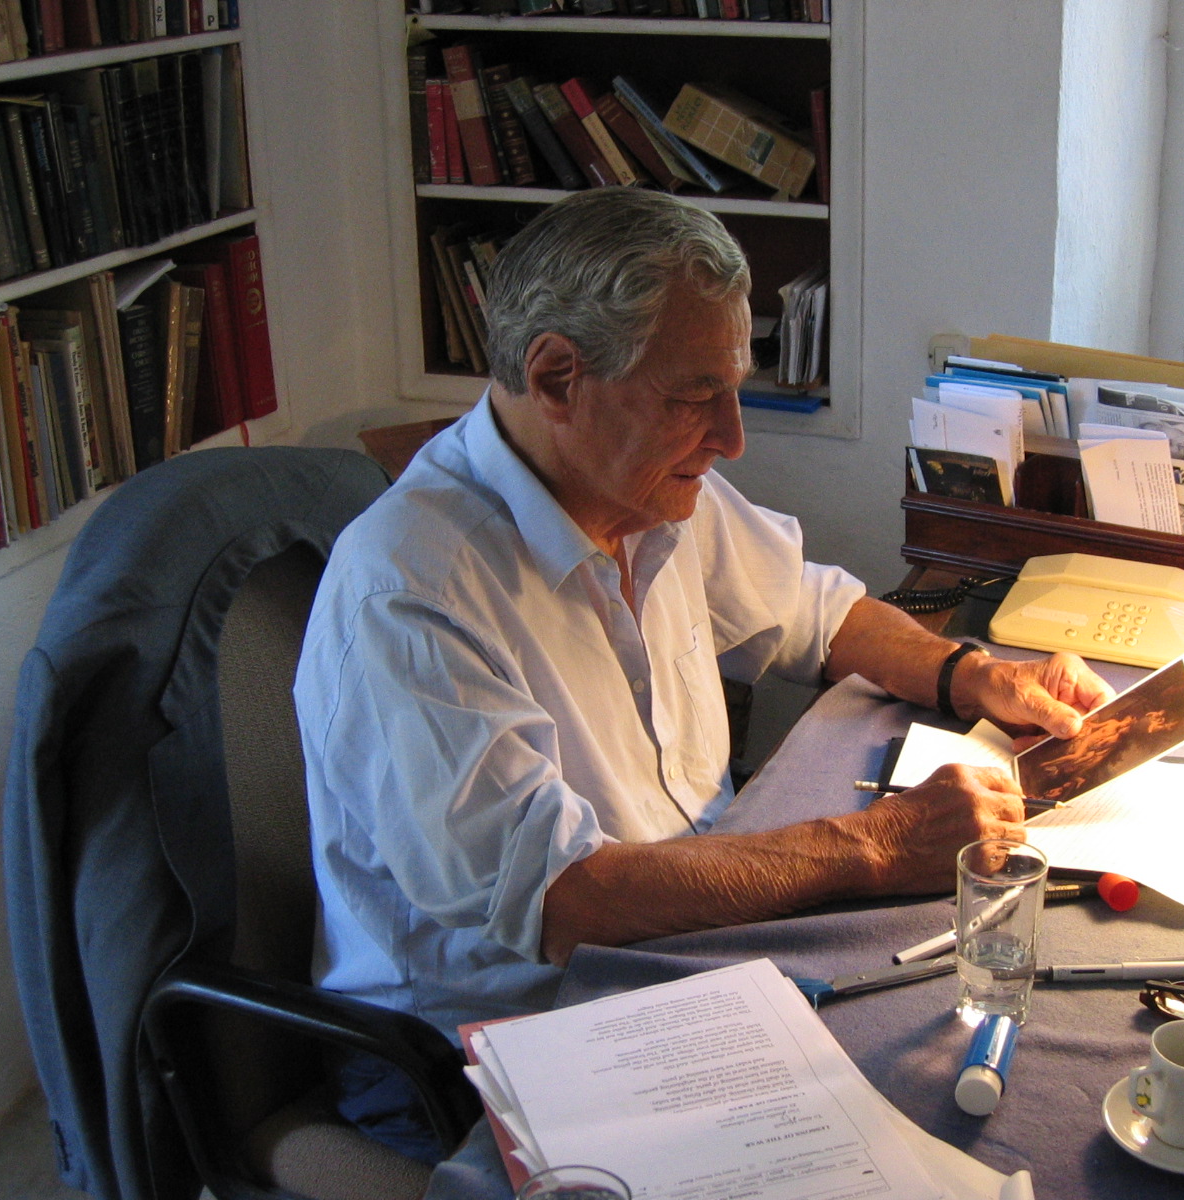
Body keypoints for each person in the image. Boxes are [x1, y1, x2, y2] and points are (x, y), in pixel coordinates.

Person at [294, 187, 1113, 1151]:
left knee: (1000, 1020)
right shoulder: (411, 592)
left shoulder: (642, 484)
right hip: (495, 1059)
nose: (732, 436)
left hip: (683, 960)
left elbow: (817, 611)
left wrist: (968, 673)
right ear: (557, 376)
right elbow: (570, 903)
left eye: (734, 386)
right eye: (694, 398)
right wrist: (880, 844)